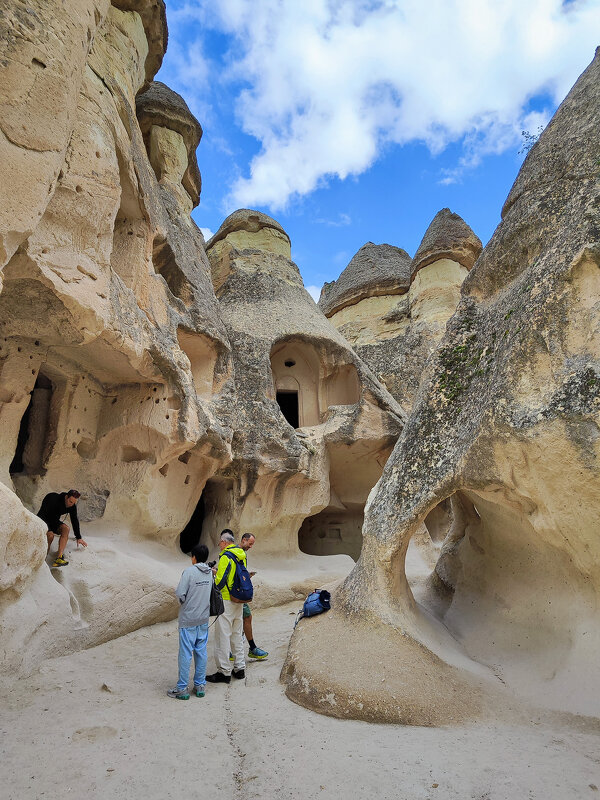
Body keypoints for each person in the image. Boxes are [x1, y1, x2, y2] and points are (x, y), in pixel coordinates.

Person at [168, 543, 213, 700]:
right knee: (201, 651)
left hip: (188, 619)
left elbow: (180, 594)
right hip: (203, 619)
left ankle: (182, 689)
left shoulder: (189, 572)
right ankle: (200, 686)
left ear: (194, 557)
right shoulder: (210, 573)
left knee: (186, 653)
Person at [206, 531, 249, 684]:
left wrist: (213, 576)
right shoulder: (240, 555)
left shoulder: (225, 556)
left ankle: (224, 672)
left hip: (226, 600)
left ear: (224, 542)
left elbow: (221, 580)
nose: (219, 545)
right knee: (236, 634)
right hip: (239, 599)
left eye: (220, 543)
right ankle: (239, 668)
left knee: (222, 636)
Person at [37, 489, 87, 568]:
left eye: (73, 503)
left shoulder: (72, 506)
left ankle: (59, 558)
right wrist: (47, 530)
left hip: (54, 522)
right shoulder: (53, 498)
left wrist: (78, 537)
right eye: (70, 502)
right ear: (66, 497)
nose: (71, 505)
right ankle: (42, 560)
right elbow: (42, 515)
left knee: (66, 529)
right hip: (42, 521)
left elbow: (74, 520)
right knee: (50, 535)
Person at [239, 533, 268, 660]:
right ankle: (252, 648)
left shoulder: (241, 554)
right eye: (250, 543)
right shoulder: (237, 553)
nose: (251, 547)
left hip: (238, 592)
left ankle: (244, 648)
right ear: (243, 540)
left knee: (244, 618)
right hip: (236, 593)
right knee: (246, 618)